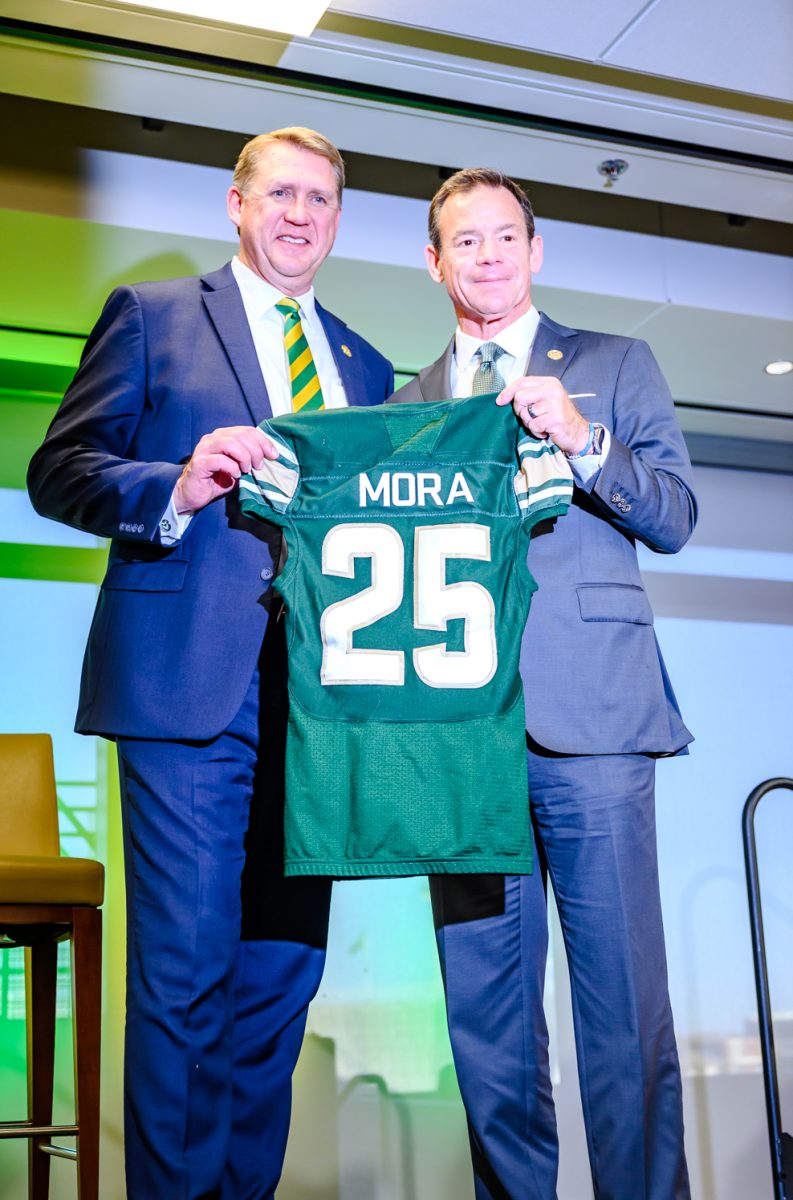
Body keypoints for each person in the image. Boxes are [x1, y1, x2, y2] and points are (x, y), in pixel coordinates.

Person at [27, 126, 393, 1200]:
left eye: (320, 199)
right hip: (189, 691)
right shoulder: (154, 316)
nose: (299, 214)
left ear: (337, 220)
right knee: (185, 975)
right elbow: (62, 470)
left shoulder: (366, 365)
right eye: (279, 192)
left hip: (322, 709)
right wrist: (177, 487)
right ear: (236, 204)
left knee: (280, 982)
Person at [394, 167, 695, 1200]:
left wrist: (581, 439)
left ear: (535, 249)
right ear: (434, 263)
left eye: (504, 236)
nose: (487, 255)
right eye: (463, 241)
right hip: (459, 746)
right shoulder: (407, 403)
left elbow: (673, 515)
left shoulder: (614, 365)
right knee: (487, 1028)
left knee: (623, 1014)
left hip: (597, 725)